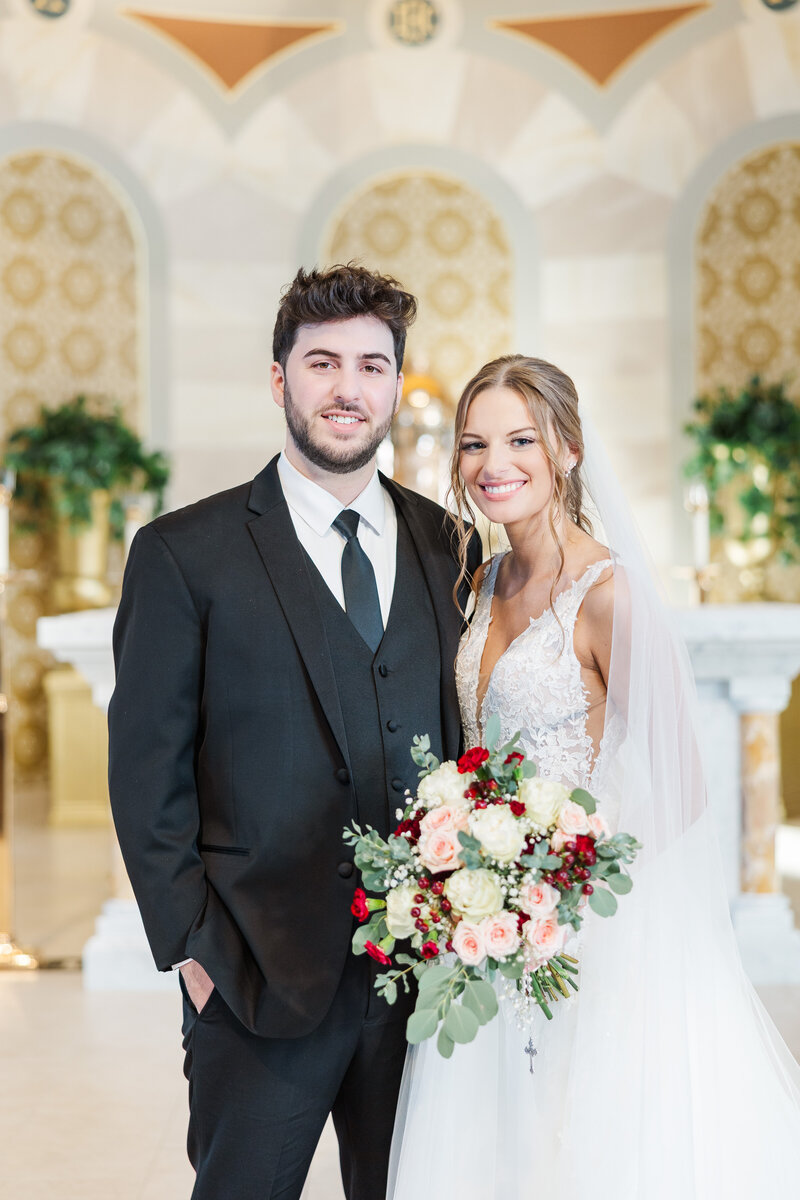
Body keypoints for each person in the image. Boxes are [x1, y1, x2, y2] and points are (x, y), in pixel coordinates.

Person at [108, 263, 481, 1200]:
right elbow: (145, 773)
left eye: (371, 364)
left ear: (399, 384)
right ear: (280, 379)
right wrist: (195, 953)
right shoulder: (183, 554)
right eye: (322, 363)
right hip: (253, 976)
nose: (347, 388)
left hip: (427, 985)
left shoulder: (451, 547)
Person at [388, 355, 800, 1199]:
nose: (491, 465)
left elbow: (682, 786)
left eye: (518, 440)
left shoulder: (609, 594)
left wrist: (560, 875)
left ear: (567, 450)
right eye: (473, 444)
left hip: (583, 926)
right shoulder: (479, 579)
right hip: (486, 920)